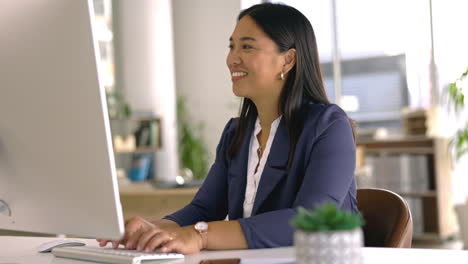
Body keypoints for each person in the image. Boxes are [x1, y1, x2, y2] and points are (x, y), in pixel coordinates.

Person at [98, 3, 358, 254]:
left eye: (247, 46)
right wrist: (152, 231)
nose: (232, 58)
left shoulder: (330, 127)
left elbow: (309, 220)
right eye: (232, 46)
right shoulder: (238, 133)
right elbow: (203, 209)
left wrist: (201, 236)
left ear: (287, 60)